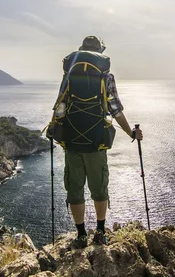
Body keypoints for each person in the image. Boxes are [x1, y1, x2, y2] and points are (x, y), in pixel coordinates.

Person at [49, 36, 143, 248]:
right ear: (100, 52)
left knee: (75, 189)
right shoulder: (105, 76)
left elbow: (60, 106)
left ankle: (81, 234)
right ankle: (100, 232)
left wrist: (53, 129)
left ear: (81, 50)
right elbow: (116, 109)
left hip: (72, 141)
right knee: (99, 187)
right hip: (96, 141)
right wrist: (131, 133)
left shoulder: (69, 74)